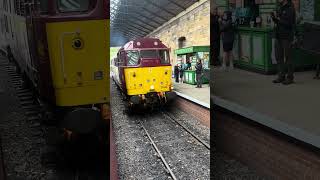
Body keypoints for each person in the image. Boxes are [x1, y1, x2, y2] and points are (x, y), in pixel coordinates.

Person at [271, 0, 296, 85]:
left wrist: (278, 19)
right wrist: (274, 18)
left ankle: (290, 78)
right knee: (279, 57)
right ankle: (281, 76)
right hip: (278, 36)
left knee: (288, 57)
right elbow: (279, 22)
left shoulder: (290, 8)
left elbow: (289, 24)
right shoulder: (280, 7)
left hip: (287, 36)